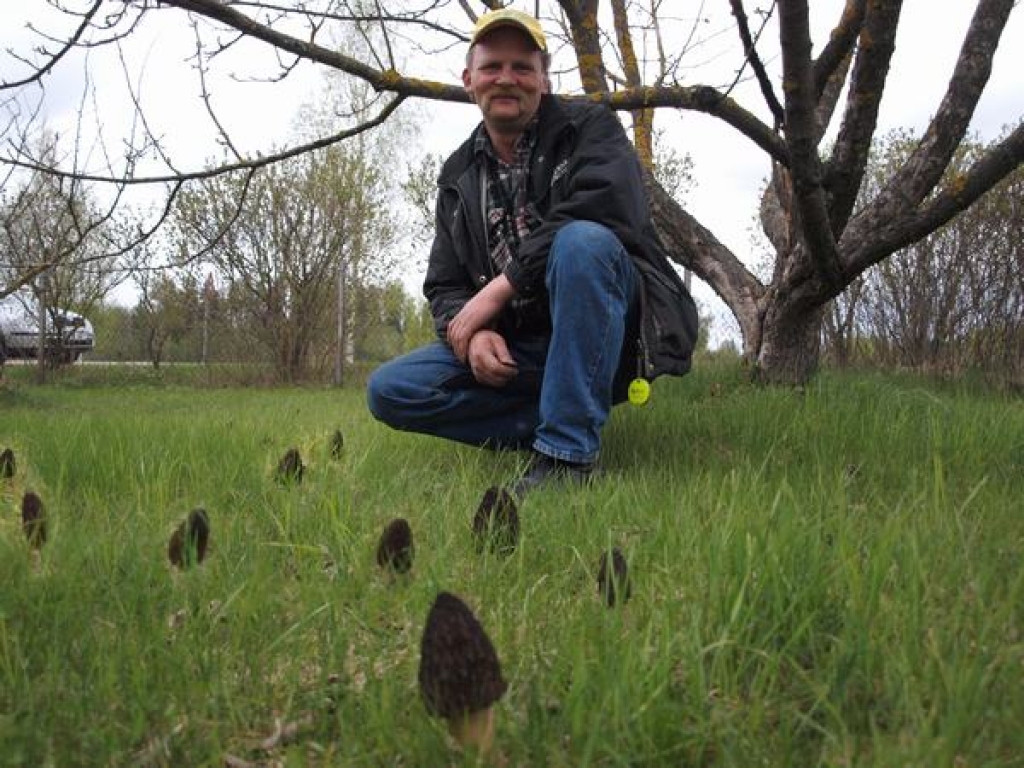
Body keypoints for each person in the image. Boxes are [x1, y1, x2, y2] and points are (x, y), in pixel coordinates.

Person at [367, 8, 698, 497]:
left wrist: (504, 286)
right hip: (523, 349)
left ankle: (566, 458)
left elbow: (609, 206)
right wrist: (472, 334)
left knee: (582, 242)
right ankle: (560, 417)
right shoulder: (457, 175)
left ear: (544, 79)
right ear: (468, 79)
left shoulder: (590, 127)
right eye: (492, 66)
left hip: (605, 334)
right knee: (391, 390)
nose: (507, 78)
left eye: (522, 67)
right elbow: (445, 285)